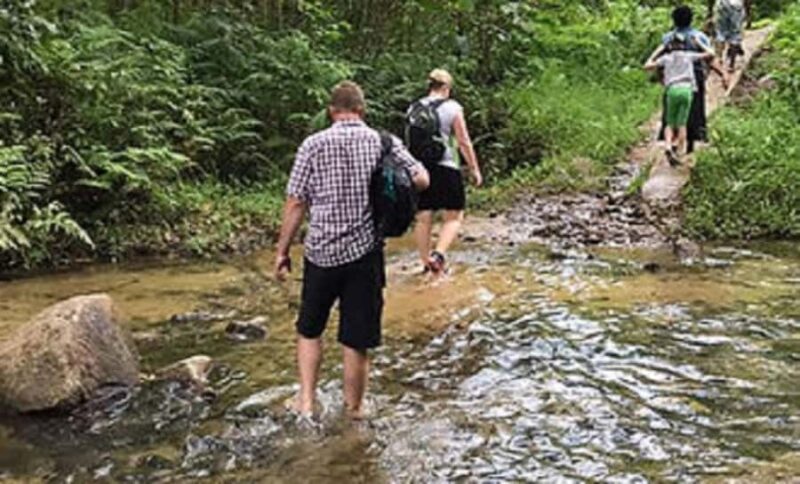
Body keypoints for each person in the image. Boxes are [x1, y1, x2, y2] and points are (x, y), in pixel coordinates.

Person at [274, 81, 429, 419]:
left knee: (309, 330)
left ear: (331, 111)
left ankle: (306, 402)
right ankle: (354, 412)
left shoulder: (312, 144)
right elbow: (422, 179)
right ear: (362, 110)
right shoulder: (383, 141)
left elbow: (296, 201)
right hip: (365, 253)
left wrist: (282, 251)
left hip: (320, 253)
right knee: (356, 339)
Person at [410, 69, 482, 275]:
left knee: (423, 216)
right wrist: (474, 168)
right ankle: (438, 255)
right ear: (447, 88)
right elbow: (463, 141)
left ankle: (425, 262)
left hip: (420, 168)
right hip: (446, 166)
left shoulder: (413, 108)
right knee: (454, 215)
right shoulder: (452, 107)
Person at [660, 5, 729, 154]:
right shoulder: (699, 37)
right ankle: (690, 144)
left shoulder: (667, 38)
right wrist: (723, 74)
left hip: (672, 79)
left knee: (672, 113)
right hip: (694, 77)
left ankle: (672, 143)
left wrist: (662, 79)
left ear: (674, 20)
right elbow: (710, 59)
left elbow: (661, 61)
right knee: (694, 110)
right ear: (691, 20)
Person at [645, 34, 716, 164]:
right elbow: (711, 53)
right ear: (683, 45)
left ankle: (668, 146)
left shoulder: (666, 58)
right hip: (686, 90)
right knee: (682, 124)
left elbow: (647, 66)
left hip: (672, 90)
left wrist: (658, 50)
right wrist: (699, 42)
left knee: (669, 123)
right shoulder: (688, 56)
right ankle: (678, 152)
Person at [714, 0, 747, 71]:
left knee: (720, 33)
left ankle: (719, 59)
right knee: (735, 35)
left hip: (722, 4)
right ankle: (731, 65)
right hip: (736, 5)